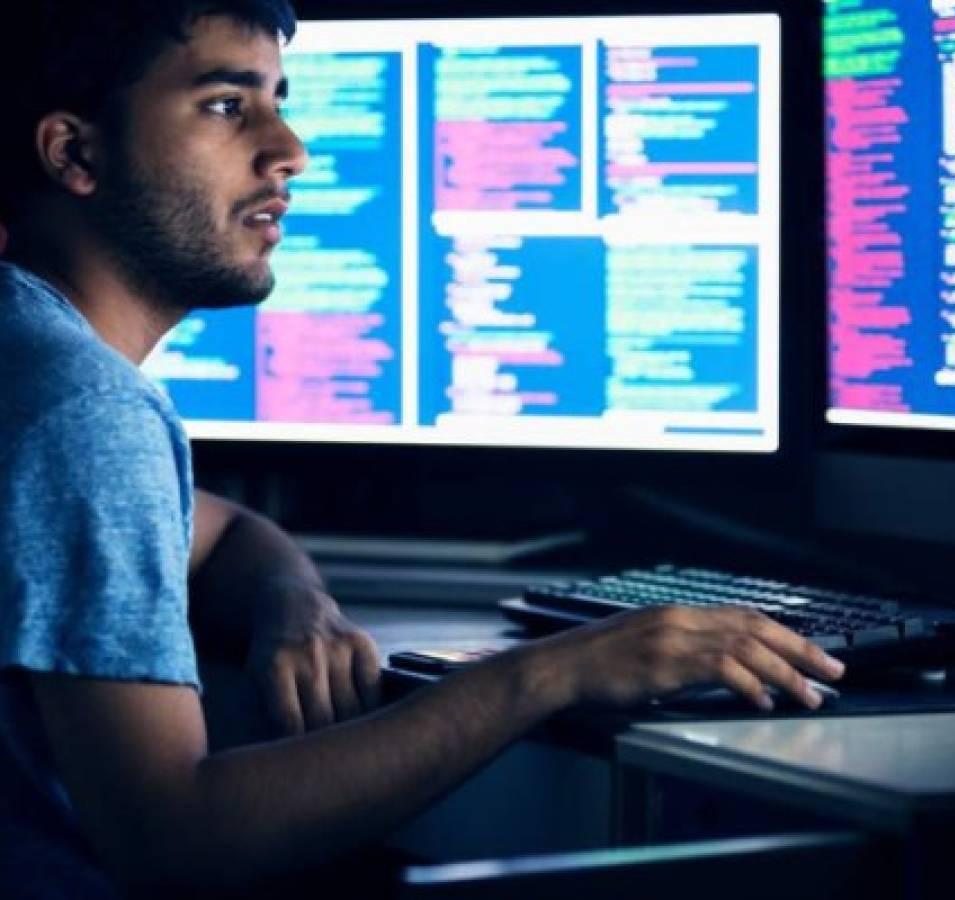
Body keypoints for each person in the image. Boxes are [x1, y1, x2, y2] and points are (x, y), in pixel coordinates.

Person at [0, 1, 845, 896]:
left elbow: (224, 530)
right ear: (74, 154)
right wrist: (556, 671)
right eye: (225, 105)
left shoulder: (31, 355)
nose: (291, 150)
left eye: (280, 100)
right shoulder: (86, 409)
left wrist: (296, 600)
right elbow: (179, 837)